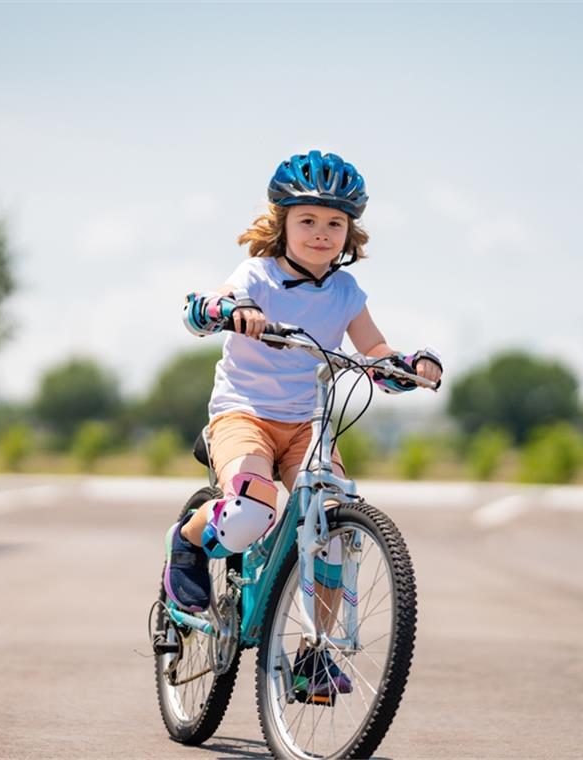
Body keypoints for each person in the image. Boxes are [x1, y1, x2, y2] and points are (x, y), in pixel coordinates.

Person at [164, 150, 443, 700]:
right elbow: (208, 307)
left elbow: (375, 351)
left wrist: (406, 367)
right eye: (308, 220)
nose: (321, 233)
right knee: (248, 513)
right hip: (243, 414)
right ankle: (189, 543)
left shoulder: (346, 293)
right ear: (283, 223)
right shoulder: (257, 275)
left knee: (335, 529)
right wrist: (226, 311)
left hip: (305, 424)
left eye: (334, 223)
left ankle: (313, 654)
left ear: (350, 232)